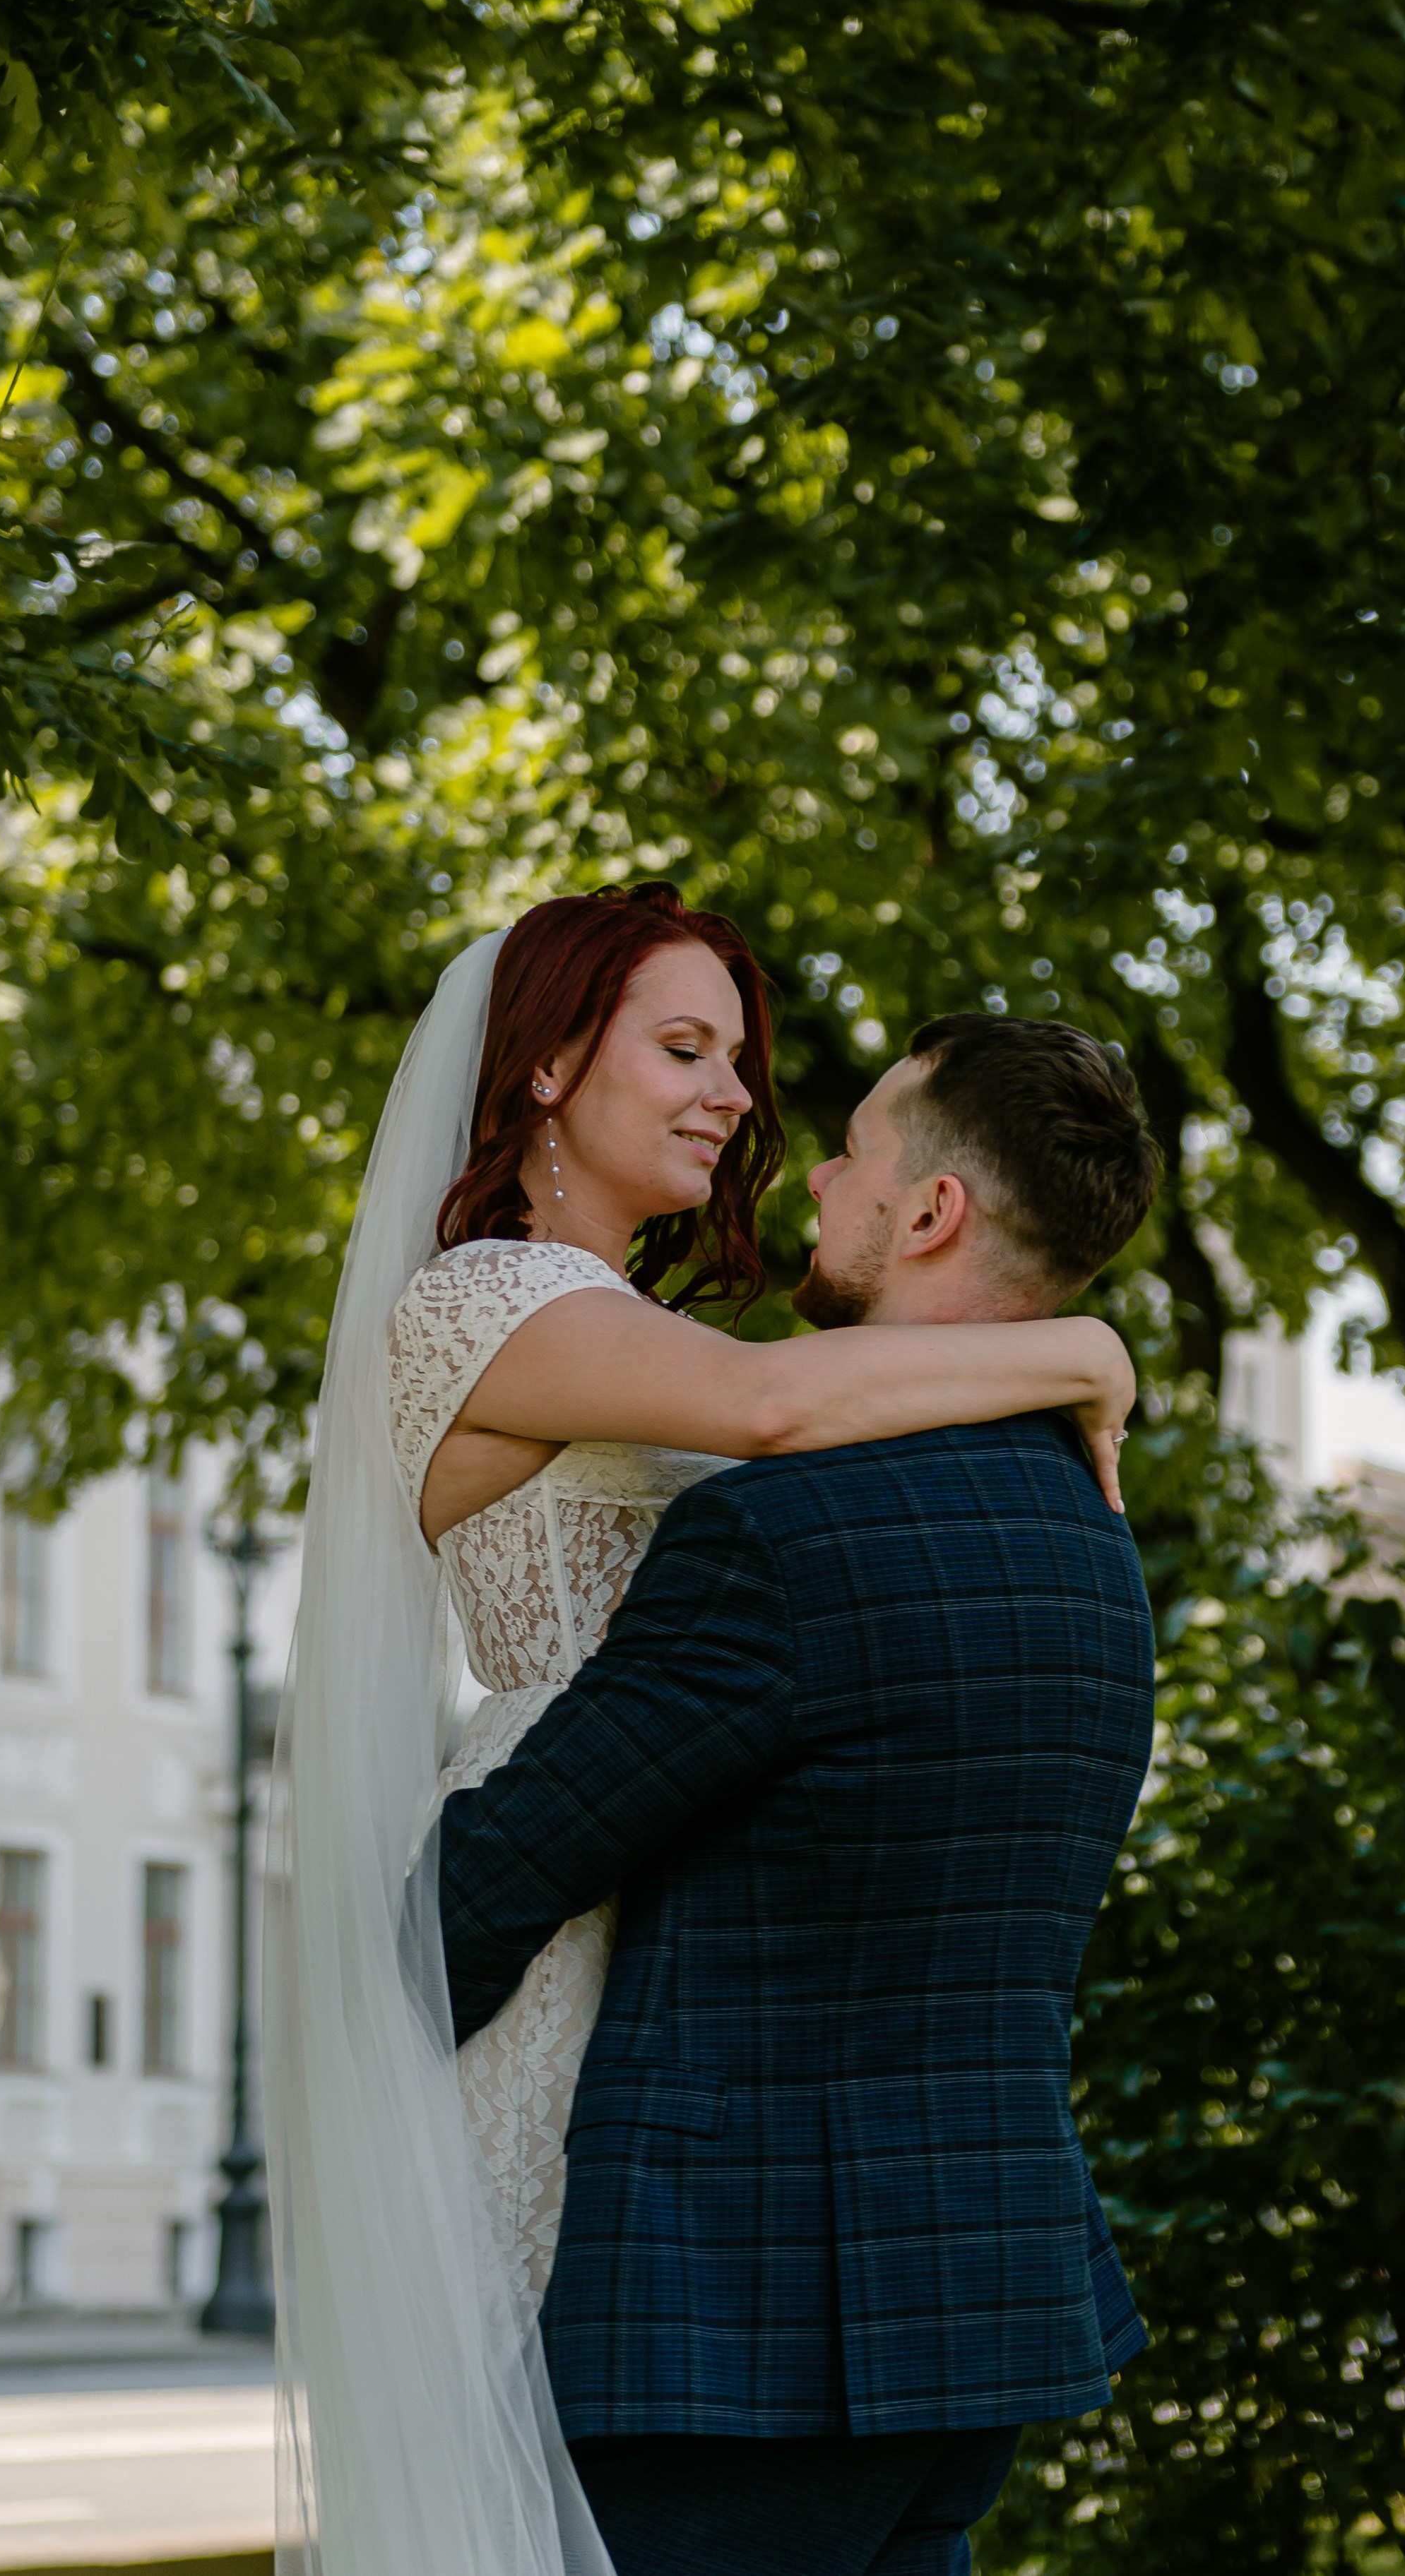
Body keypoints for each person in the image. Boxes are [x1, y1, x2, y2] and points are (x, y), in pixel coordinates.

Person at [266, 886, 1142, 2576]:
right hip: (553, 1907)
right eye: (683, 1048)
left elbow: (797, 1443)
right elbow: (773, 1412)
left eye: (735, 1059)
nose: (737, 1099)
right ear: (539, 1075)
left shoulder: (648, 1340)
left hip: (665, 1912)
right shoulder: (484, 1304)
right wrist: (1081, 1343)